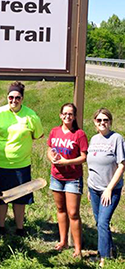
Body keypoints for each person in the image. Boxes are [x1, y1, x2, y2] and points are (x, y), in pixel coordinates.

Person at [0, 81, 44, 236]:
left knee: (20, 198)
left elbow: (38, 135)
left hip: (21, 164)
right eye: (11, 97)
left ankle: (20, 228)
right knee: (1, 196)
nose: (14, 100)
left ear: (22, 99)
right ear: (7, 97)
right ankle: (1, 227)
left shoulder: (31, 116)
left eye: (17, 97)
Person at [47, 103, 88, 257]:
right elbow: (50, 149)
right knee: (60, 209)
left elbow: (84, 157)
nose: (67, 116)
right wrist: (52, 158)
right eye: (64, 113)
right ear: (60, 115)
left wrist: (66, 162)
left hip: (73, 178)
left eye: (70, 114)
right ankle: (63, 241)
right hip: (56, 176)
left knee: (73, 213)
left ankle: (78, 248)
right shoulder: (54, 131)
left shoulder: (79, 134)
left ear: (74, 116)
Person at [87, 108, 125, 267]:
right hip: (94, 188)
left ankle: (104, 259)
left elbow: (122, 166)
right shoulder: (94, 139)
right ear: (95, 122)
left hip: (110, 189)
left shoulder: (117, 138)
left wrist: (109, 189)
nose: (102, 123)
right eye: (99, 120)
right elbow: (90, 165)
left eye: (106, 120)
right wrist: (90, 186)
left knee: (103, 222)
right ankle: (109, 250)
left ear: (110, 122)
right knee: (99, 222)